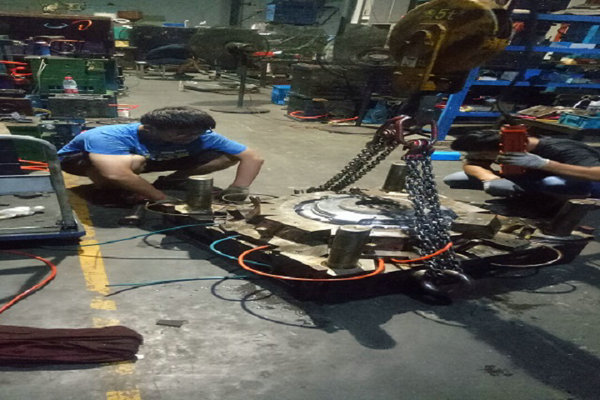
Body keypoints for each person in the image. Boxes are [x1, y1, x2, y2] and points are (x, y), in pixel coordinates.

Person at [58, 106, 264, 203]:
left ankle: (172, 181)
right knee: (133, 164)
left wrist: (238, 188)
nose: (191, 138)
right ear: (149, 129)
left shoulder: (201, 135)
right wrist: (160, 198)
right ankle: (113, 191)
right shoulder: (108, 136)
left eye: (196, 133)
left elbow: (252, 157)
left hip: (153, 159)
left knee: (229, 155)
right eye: (182, 134)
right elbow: (116, 173)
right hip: (83, 162)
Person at [443, 129, 600, 199]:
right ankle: (532, 196)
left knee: (553, 183)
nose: (481, 158)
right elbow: (471, 163)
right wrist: (490, 178)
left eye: (483, 155)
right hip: (535, 178)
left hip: (588, 184)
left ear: (500, 148)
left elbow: (597, 174)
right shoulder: (501, 147)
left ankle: (554, 209)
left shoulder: (564, 148)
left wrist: (544, 164)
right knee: (456, 178)